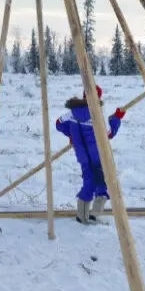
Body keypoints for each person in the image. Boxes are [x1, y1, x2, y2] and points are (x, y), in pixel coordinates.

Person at [55, 85, 126, 225]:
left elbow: (58, 124)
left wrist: (71, 134)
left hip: (82, 156)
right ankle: (95, 214)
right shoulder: (97, 114)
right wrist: (117, 118)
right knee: (103, 180)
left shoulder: (72, 112)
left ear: (84, 96)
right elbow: (109, 133)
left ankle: (83, 215)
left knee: (90, 179)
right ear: (97, 97)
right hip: (98, 155)